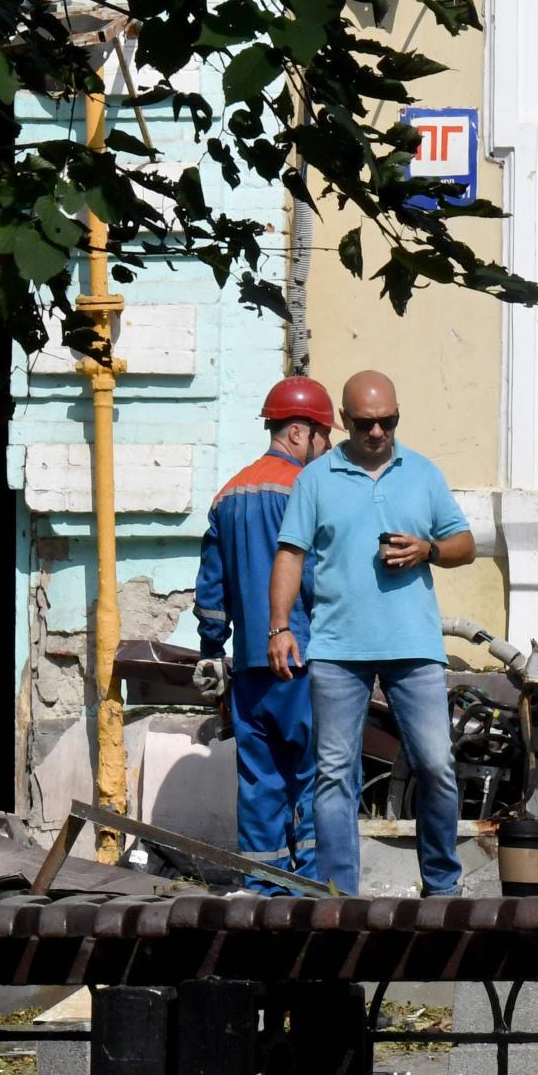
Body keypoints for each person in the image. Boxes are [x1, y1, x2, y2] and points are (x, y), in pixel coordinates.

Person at [267, 369, 475, 896]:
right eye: (365, 424)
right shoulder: (315, 479)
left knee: (436, 764)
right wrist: (279, 627)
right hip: (338, 648)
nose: (378, 433)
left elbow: (465, 545)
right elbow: (290, 553)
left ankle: (442, 886)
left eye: (388, 422)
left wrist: (427, 550)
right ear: (343, 420)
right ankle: (340, 897)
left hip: (414, 645)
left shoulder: (422, 473)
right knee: (334, 774)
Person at [192, 376, 336, 893]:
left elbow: (211, 591)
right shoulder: (306, 490)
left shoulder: (227, 493)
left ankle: (260, 891)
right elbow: (320, 576)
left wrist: (213, 651)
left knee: (259, 781)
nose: (328, 449)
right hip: (304, 658)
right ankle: (312, 889)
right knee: (316, 774)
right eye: (325, 437)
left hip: (250, 665)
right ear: (300, 433)